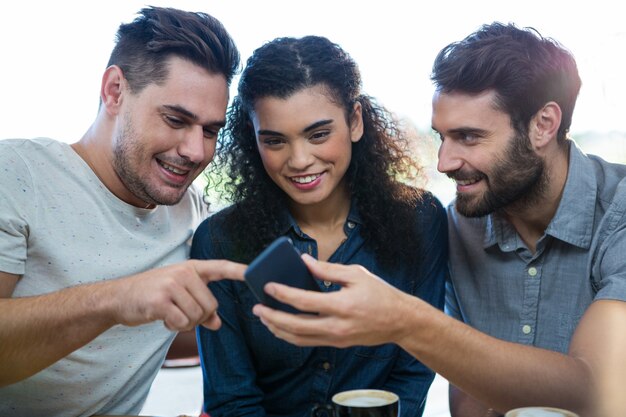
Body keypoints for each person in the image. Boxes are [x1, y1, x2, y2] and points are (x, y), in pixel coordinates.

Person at [251, 22, 626, 417]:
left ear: (544, 125)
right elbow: (468, 404)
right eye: (442, 137)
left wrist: (404, 320)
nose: (444, 162)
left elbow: (598, 391)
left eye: (468, 137)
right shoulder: (463, 226)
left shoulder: (618, 215)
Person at [0, 6, 246, 417]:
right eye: (175, 119)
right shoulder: (17, 175)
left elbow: (193, 331)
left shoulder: (195, 214)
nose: (196, 151)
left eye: (210, 130)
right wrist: (118, 299)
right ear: (115, 90)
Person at [190, 35, 448, 417]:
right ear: (252, 137)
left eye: (318, 134)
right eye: (275, 141)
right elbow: (232, 399)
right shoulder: (219, 241)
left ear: (355, 121)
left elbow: (414, 371)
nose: (299, 160)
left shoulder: (421, 218)